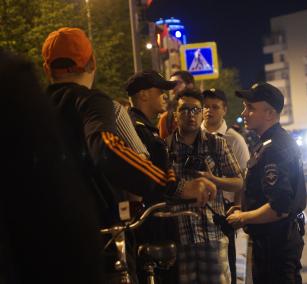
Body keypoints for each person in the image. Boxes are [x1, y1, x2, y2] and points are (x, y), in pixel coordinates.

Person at [41, 27, 217, 280]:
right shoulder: (91, 102)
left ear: (47, 69)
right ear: (92, 63)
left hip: (39, 245)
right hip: (95, 240)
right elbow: (107, 147)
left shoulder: (29, 107)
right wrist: (175, 186)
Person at [0, 50, 105, 283]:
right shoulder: (12, 80)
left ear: (47, 70)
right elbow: (57, 200)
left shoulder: (36, 92)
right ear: (92, 63)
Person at [227, 82, 307, 284]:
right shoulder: (270, 142)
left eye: (250, 108)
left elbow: (279, 207)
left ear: (270, 113)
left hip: (276, 246)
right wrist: (243, 207)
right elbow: (267, 194)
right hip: (274, 243)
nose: (244, 113)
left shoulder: (274, 149)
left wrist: (243, 217)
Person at [167, 90, 243, 284]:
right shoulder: (165, 148)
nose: (190, 115)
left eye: (195, 109)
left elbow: (239, 182)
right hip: (181, 240)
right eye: (184, 109)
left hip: (213, 236)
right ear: (175, 114)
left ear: (201, 113)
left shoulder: (216, 144)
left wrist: (214, 179)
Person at [125, 70, 180, 283]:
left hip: (158, 216)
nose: (165, 96)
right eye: (160, 91)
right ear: (143, 95)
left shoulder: (147, 127)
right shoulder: (137, 129)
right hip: (150, 221)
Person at [201, 88, 250, 284]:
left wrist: (238, 208)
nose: (209, 111)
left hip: (225, 211)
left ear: (224, 110)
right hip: (200, 210)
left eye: (215, 107)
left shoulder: (234, 139)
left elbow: (243, 179)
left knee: (225, 264)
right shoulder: (194, 137)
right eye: (205, 106)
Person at [158, 70, 195, 139]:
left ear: (190, 85)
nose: (173, 87)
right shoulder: (166, 118)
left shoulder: (204, 111)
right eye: (171, 84)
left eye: (177, 83)